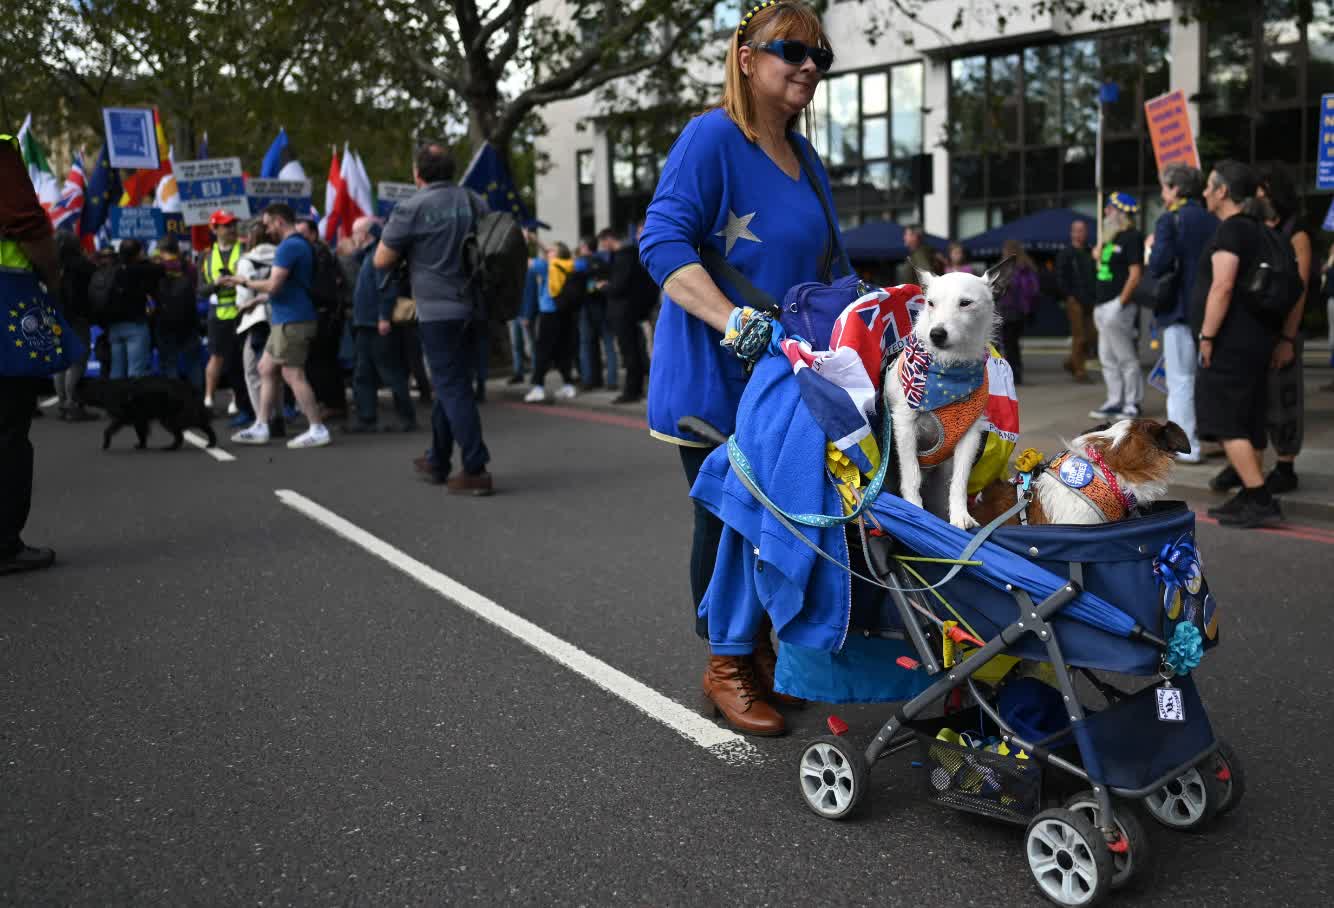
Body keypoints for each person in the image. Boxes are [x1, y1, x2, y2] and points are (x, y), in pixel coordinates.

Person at [639, 0, 842, 736]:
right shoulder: (710, 138)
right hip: (714, 374)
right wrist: (734, 320)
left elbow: (834, 269)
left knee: (787, 517)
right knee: (728, 522)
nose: (809, 66)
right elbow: (661, 243)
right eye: (793, 50)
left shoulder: (808, 159)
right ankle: (727, 663)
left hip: (788, 381)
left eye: (821, 56)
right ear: (747, 57)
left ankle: (758, 654)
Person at [375, 141, 492, 494]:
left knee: (452, 387)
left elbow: (382, 260)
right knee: (452, 384)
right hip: (475, 307)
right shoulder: (475, 201)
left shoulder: (411, 207)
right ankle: (437, 459)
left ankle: (476, 467)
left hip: (437, 311)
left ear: (417, 173)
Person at [1193, 161, 1281, 528]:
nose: (1204, 193)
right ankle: (1248, 492)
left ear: (1223, 191)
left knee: (1229, 423)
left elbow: (1223, 285)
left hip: (1229, 341)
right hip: (1256, 340)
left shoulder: (1231, 232)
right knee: (1249, 419)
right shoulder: (1263, 231)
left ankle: (1260, 498)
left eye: (1209, 186)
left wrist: (1207, 336)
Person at [0, 131, 62, 574]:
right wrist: (54, 277)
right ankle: (5, 544)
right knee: (7, 429)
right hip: (7, 303)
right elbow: (26, 223)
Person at [223, 202, 331, 449]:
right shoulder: (299, 245)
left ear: (279, 221)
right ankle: (262, 425)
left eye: (268, 223)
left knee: (293, 374)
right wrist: (260, 300)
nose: (266, 229)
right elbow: (287, 285)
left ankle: (317, 427)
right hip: (288, 317)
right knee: (265, 368)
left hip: (292, 320)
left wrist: (244, 282)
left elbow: (274, 285)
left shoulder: (288, 247)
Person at [1147, 164, 1218, 463]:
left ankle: (1184, 445)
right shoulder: (1213, 220)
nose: (1163, 194)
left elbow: (1159, 264)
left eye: (1165, 187)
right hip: (1209, 308)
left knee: (1179, 380)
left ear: (1176, 189)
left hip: (1178, 310)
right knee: (1200, 379)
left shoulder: (1170, 220)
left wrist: (1152, 250)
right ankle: (1205, 436)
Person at [348, 216, 416, 432]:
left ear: (365, 234)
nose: (352, 237)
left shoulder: (380, 256)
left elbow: (387, 287)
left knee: (391, 373)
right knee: (363, 374)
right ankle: (366, 419)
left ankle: (406, 419)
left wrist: (384, 317)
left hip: (376, 325)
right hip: (366, 324)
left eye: (355, 232)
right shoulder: (369, 255)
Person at [1089, 192, 1145, 420]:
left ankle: (1132, 402)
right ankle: (1115, 399)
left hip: (1118, 305)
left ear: (1121, 213)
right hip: (1102, 304)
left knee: (1125, 357)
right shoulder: (1112, 237)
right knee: (1107, 358)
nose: (1105, 212)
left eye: (1110, 209)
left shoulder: (1132, 237)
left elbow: (1136, 273)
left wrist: (1120, 303)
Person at [233, 220, 286, 438]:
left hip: (257, 322)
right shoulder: (282, 256)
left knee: (253, 372)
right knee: (278, 372)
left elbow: (244, 297)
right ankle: (279, 416)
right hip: (282, 317)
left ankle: (262, 418)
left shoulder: (246, 262)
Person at [295, 216, 348, 422]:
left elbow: (320, 288)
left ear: (314, 234)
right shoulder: (315, 253)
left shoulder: (318, 254)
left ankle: (332, 405)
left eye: (302, 234)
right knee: (320, 363)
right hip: (323, 314)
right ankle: (330, 403)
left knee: (321, 363)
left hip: (325, 316)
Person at [197, 210, 248, 419]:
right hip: (217, 313)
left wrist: (237, 281)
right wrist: (216, 284)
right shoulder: (206, 256)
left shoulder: (244, 250)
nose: (231, 229)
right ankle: (208, 398)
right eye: (226, 225)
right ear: (215, 228)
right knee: (216, 357)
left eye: (233, 224)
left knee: (240, 359)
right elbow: (201, 290)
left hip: (241, 311)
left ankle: (238, 398)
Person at [598, 227, 656, 404]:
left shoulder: (623, 258)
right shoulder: (634, 256)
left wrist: (603, 287)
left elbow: (618, 286)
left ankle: (632, 390)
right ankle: (635, 388)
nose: (602, 246)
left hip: (623, 312)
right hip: (633, 311)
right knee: (636, 351)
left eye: (603, 242)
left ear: (609, 239)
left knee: (629, 352)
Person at [525, 243, 581, 403]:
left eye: (551, 251)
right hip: (563, 312)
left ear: (557, 254)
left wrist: (525, 240)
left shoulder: (548, 267)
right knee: (562, 349)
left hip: (548, 314)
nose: (547, 253)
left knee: (542, 350)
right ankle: (568, 385)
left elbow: (526, 261)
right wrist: (537, 241)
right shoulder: (568, 265)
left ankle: (538, 387)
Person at [101, 238, 164, 379]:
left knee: (117, 372)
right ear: (138, 254)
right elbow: (161, 269)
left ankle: (117, 400)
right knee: (136, 373)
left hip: (114, 327)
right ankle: (133, 400)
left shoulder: (112, 270)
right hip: (135, 326)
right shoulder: (141, 269)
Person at [53, 230, 97, 421]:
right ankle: (72, 403)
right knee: (78, 361)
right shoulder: (83, 265)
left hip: (55, 316)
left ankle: (62, 403)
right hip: (77, 317)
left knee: (61, 362)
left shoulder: (50, 264)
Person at [152, 235, 205, 391]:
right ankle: (197, 400)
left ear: (160, 251)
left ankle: (175, 401)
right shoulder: (189, 267)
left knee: (169, 364)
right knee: (193, 364)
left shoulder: (156, 268)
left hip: (165, 321)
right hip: (189, 321)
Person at [1056, 219, 1097, 383]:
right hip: (1074, 299)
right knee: (1079, 336)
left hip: (1091, 299)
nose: (1080, 234)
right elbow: (1060, 276)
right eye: (1077, 231)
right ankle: (1080, 371)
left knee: (1093, 335)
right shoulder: (1066, 253)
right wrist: (1068, 295)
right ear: (1072, 233)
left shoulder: (1090, 252)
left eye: (1082, 230)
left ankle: (1071, 362)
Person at [996, 239, 1039, 385]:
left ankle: (1013, 373)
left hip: (1009, 309)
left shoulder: (1009, 269)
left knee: (1008, 343)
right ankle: (1016, 371)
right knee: (1012, 343)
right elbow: (1033, 290)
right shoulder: (1026, 268)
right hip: (1019, 310)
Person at [577, 237, 617, 391]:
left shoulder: (581, 263)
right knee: (608, 345)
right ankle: (611, 381)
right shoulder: (604, 263)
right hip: (604, 307)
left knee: (587, 345)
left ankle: (589, 380)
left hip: (587, 308)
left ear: (586, 247)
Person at [510, 232, 541, 385]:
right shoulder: (514, 268)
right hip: (515, 312)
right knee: (517, 345)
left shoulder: (528, 267)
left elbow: (530, 293)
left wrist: (528, 315)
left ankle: (536, 373)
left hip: (524, 313)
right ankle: (518, 372)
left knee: (530, 345)